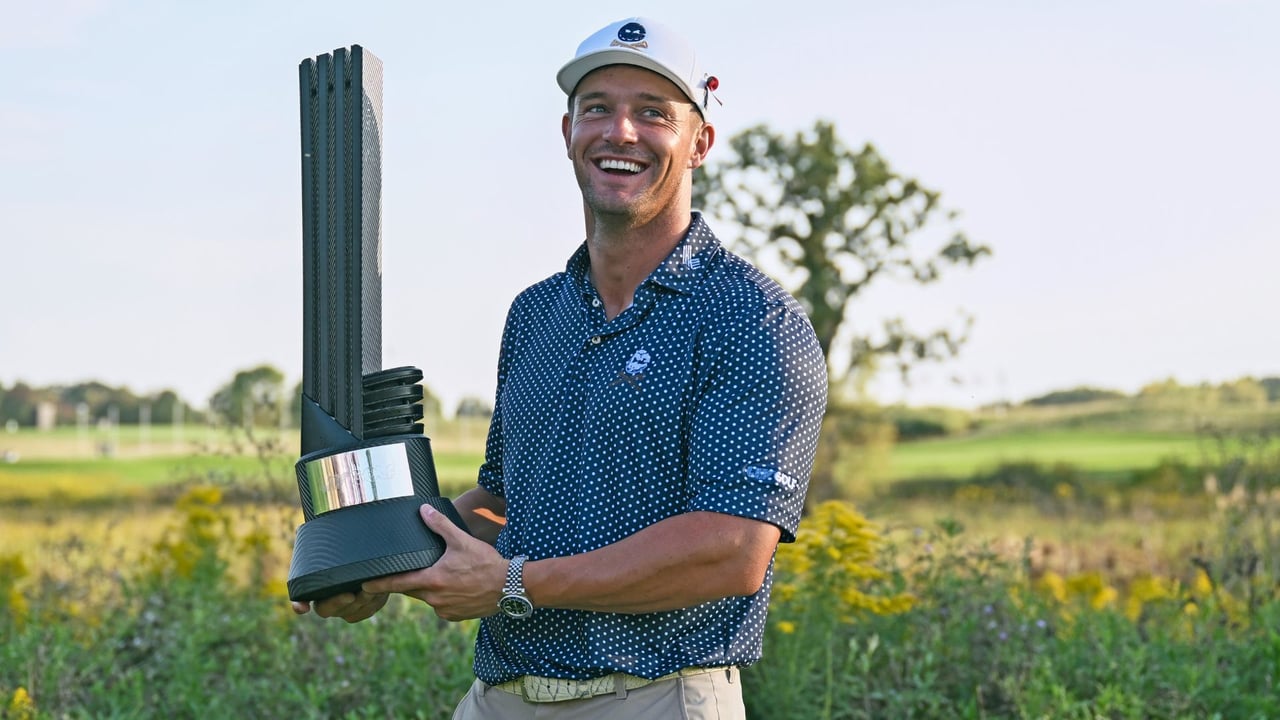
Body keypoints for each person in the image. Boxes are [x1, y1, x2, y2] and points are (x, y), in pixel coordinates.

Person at [293, 16, 828, 718]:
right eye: (598, 108)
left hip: (655, 698)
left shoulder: (750, 320)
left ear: (700, 143)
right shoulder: (536, 315)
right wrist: (384, 559)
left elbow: (731, 549)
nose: (621, 133)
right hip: (500, 699)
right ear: (567, 131)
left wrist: (515, 584)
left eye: (652, 114)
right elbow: (501, 499)